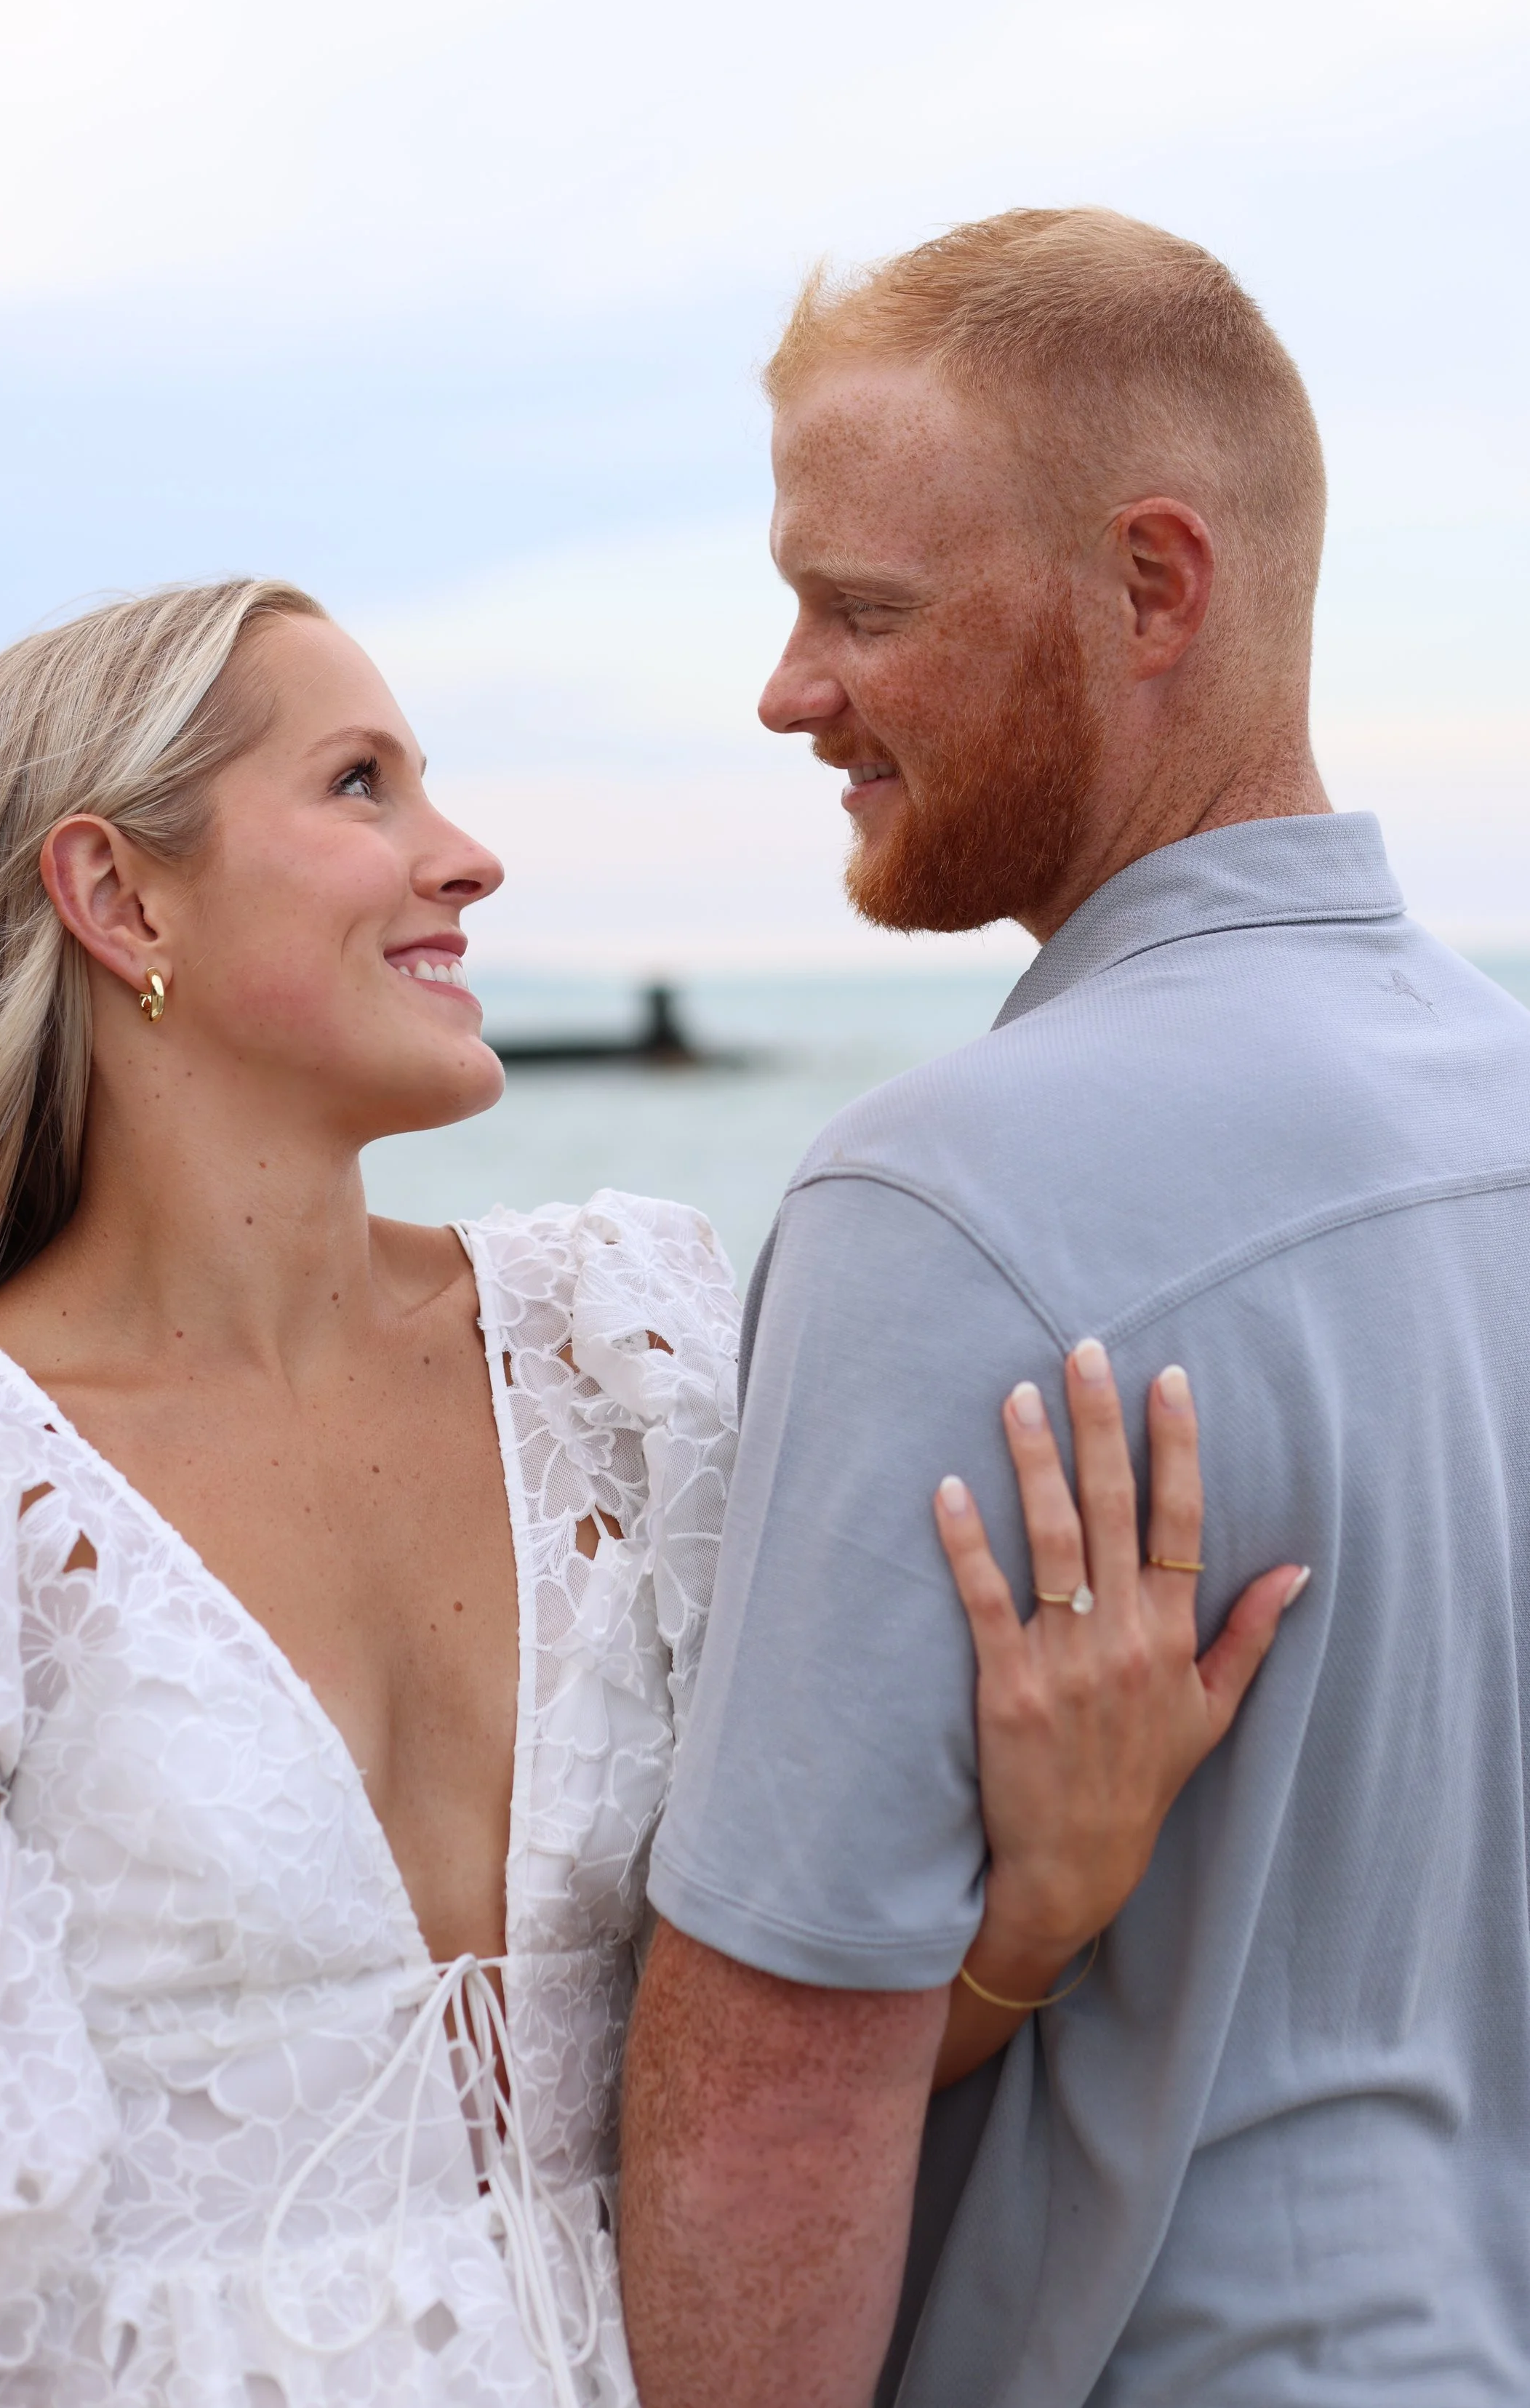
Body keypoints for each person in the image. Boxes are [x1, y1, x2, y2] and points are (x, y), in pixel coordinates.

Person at [0, 577, 1296, 2408]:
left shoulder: (610, 1350)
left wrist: (1040, 1899)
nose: (464, 858)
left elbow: (739, 2102)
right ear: (119, 895)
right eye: (361, 784)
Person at [622, 208, 1530, 2407]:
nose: (787, 689)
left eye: (861, 610)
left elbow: (769, 2110)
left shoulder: (945, 1198)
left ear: (1150, 586)